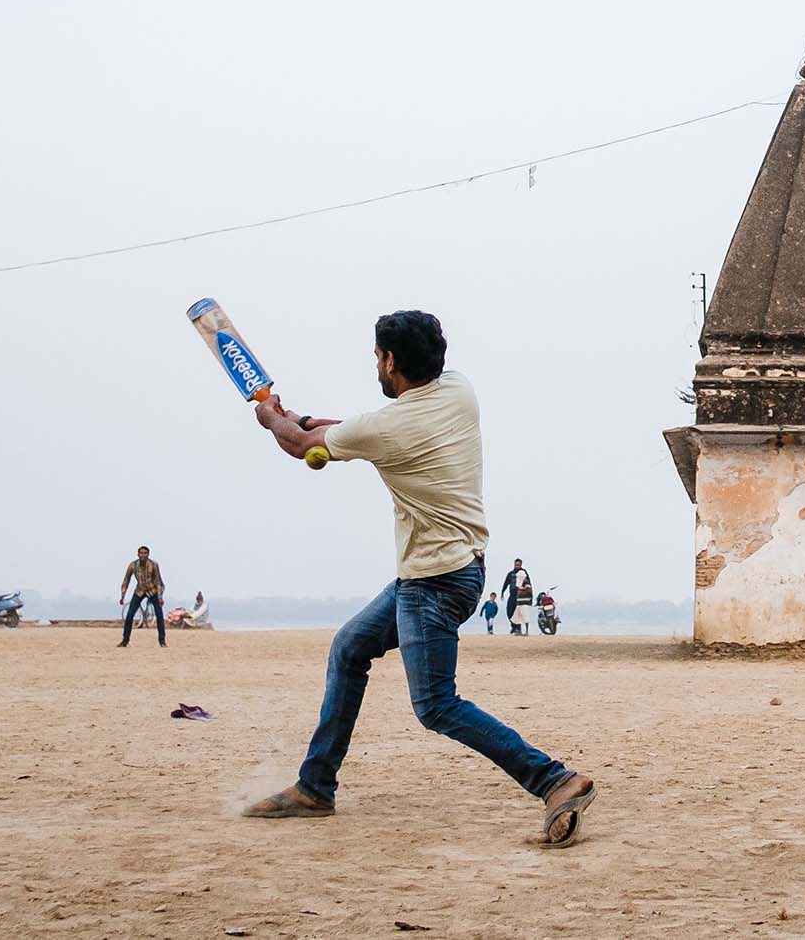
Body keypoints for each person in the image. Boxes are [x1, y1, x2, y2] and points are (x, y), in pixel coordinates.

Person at [240, 310, 596, 846]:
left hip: (433, 582)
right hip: (457, 570)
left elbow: (299, 445)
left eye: (376, 357)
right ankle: (315, 787)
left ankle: (555, 780)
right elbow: (346, 432)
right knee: (350, 648)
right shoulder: (458, 391)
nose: (375, 366)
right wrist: (305, 420)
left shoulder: (386, 427)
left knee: (435, 705)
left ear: (389, 361)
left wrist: (271, 416)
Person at [118, 545, 166, 649]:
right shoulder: (133, 565)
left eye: (145, 553)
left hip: (152, 590)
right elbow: (126, 580)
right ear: (138, 554)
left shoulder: (153, 565)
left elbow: (158, 582)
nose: (143, 555)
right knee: (130, 615)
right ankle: (125, 640)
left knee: (159, 614)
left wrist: (160, 596)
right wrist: (123, 595)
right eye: (141, 553)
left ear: (148, 554)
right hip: (139, 591)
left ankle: (162, 641)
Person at [503, 558, 533, 636]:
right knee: (510, 611)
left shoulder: (523, 573)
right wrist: (502, 592)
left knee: (521, 613)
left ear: (521, 565)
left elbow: (529, 585)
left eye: (518, 565)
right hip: (512, 596)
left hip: (521, 597)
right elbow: (506, 583)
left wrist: (530, 597)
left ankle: (519, 629)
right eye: (516, 565)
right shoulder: (511, 574)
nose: (517, 566)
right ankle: (514, 626)